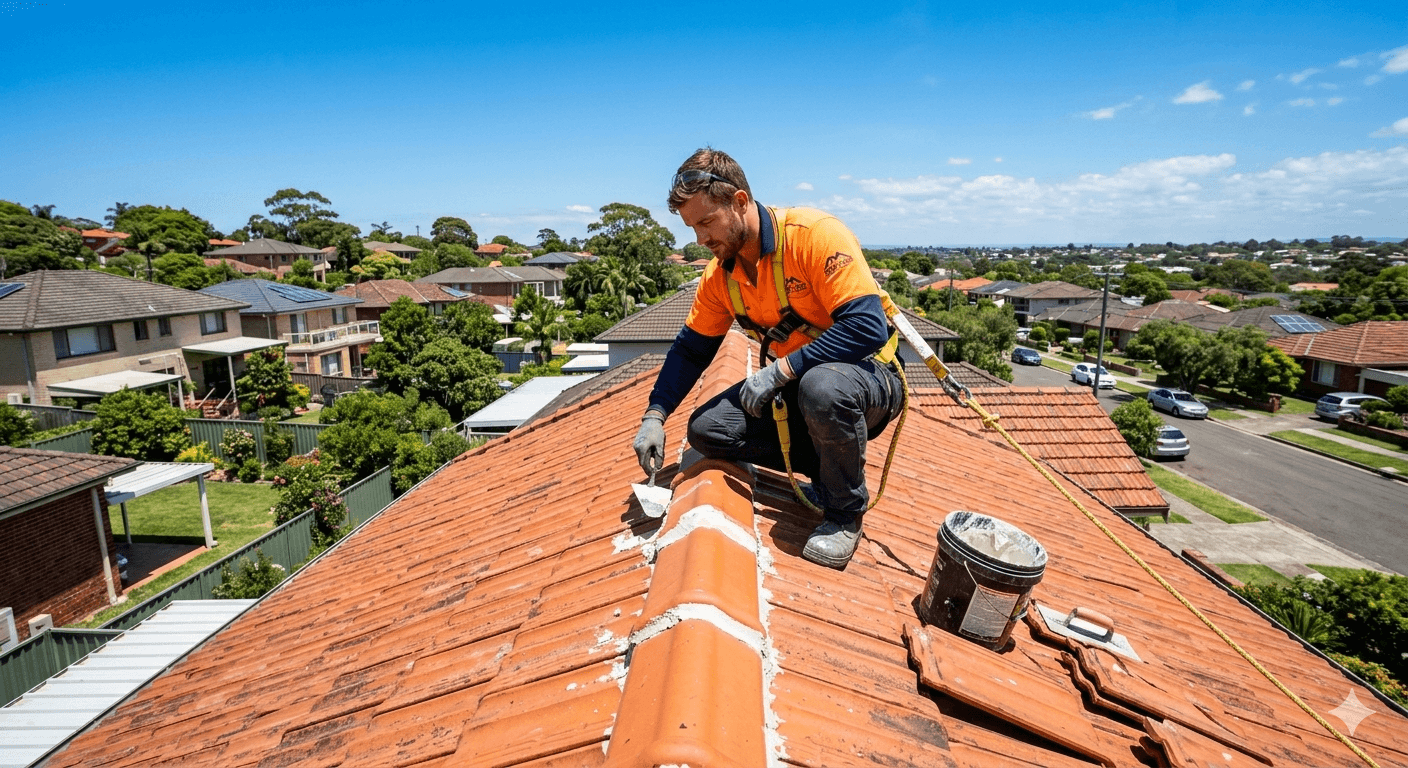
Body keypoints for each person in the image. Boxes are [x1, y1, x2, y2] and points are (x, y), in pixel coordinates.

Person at [632, 148, 905, 569]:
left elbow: (866, 327)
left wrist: (783, 369)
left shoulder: (814, 235)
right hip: (798, 386)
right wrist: (655, 413)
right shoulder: (721, 275)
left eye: (707, 222)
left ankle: (844, 513)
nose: (700, 239)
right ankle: (827, 472)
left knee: (823, 388)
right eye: (692, 227)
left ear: (740, 202)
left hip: (867, 380)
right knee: (708, 430)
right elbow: (692, 349)